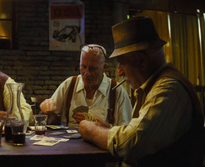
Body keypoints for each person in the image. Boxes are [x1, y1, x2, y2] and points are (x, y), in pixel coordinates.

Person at [79, 17, 205, 166]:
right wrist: (109, 129)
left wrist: (91, 130)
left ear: (141, 61)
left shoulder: (168, 90)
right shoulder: (152, 86)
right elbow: (144, 134)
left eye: (122, 63)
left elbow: (131, 144)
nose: (119, 72)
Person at [40, 44, 132, 127]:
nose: (87, 73)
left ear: (104, 68)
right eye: (83, 67)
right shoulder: (69, 84)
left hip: (101, 144)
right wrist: (46, 108)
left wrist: (102, 125)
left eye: (93, 68)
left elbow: (126, 133)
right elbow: (49, 114)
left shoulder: (117, 91)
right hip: (70, 144)